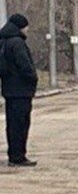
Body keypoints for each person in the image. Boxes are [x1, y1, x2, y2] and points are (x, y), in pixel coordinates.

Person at [0, 14, 39, 167]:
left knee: (12, 124)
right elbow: (25, 66)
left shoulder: (3, 41)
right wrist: (33, 78)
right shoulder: (17, 43)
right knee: (21, 124)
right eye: (26, 26)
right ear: (21, 26)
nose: (27, 30)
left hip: (9, 89)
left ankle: (14, 154)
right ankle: (18, 157)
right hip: (21, 90)